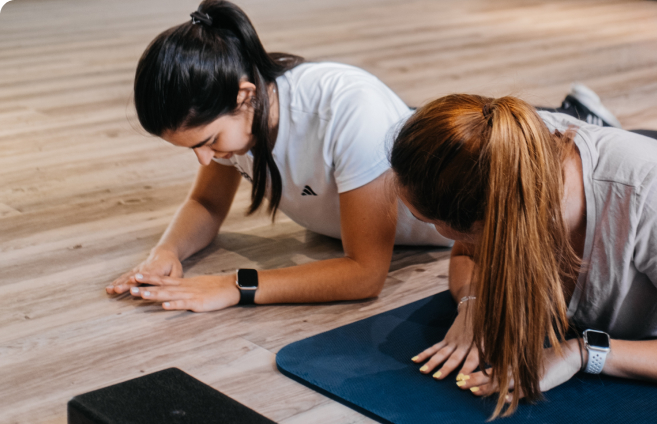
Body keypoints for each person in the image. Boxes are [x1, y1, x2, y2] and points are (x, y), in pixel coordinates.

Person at [105, 0, 453, 311]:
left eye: (209, 141)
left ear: (245, 96)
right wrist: (166, 252)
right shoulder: (242, 109)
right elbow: (207, 203)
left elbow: (365, 275)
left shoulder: (350, 109)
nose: (205, 159)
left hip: (457, 240)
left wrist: (235, 285)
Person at [390, 93, 657, 418]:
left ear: (492, 222)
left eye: (427, 221)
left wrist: (582, 353)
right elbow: (468, 254)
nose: (431, 230)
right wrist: (474, 302)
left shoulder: (652, 198)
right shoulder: (502, 158)